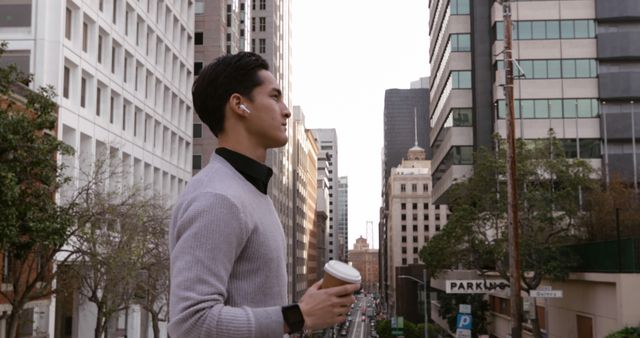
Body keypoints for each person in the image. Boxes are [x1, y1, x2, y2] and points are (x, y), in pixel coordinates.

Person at [168, 52, 359, 337]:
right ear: (239, 105)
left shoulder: (250, 192)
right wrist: (298, 316)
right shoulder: (218, 197)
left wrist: (304, 312)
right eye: (274, 97)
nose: (286, 110)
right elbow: (191, 323)